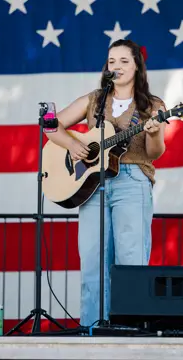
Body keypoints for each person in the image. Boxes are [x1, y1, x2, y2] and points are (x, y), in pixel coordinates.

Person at [45, 39, 167, 327]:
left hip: (132, 181)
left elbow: (155, 153)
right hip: (91, 186)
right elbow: (50, 123)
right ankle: (91, 329)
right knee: (92, 262)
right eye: (112, 61)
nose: (117, 66)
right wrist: (72, 145)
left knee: (131, 261)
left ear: (137, 65)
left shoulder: (152, 105)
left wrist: (153, 133)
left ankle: (132, 328)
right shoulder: (95, 100)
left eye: (124, 61)